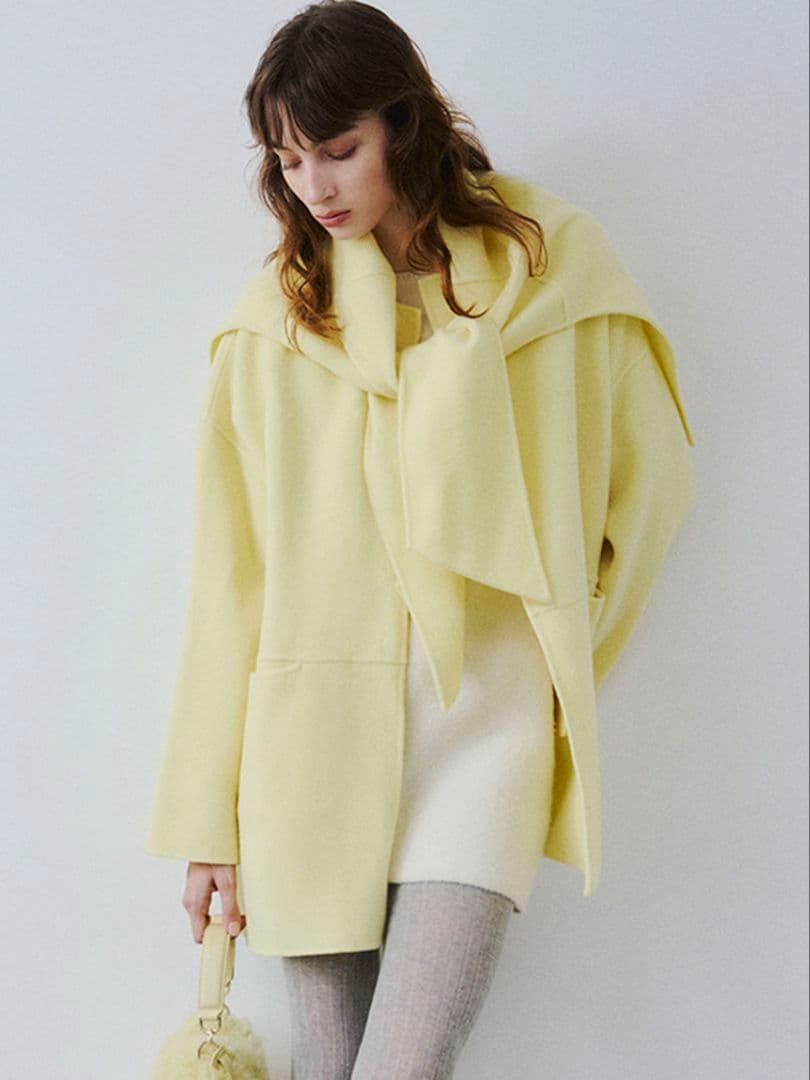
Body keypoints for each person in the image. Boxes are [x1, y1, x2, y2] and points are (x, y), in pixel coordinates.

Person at [144, 2, 697, 1077]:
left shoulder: (556, 278)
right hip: (310, 743)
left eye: (338, 149)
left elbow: (653, 490)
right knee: (329, 1064)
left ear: (404, 123)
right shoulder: (273, 328)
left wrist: (557, 647)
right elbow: (227, 587)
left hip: (484, 735)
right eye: (289, 160)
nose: (315, 186)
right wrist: (209, 820)